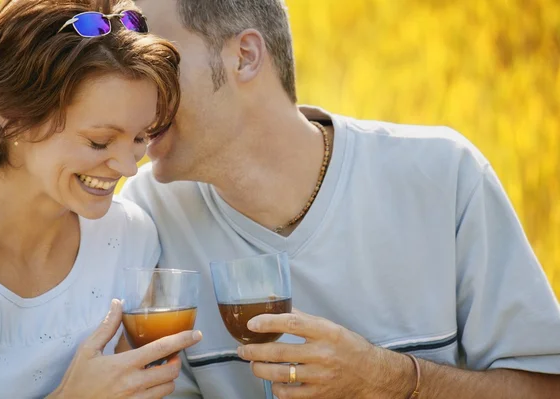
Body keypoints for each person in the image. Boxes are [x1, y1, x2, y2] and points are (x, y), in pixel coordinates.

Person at [121, 0, 560, 398]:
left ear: (244, 56)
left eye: (157, 59)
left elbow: (545, 387)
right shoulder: (145, 218)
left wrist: (388, 378)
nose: (132, 91)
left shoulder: (443, 175)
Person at [0, 0, 202, 398]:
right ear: (12, 113)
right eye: (100, 141)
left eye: (141, 137)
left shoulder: (130, 236)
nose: (127, 167)